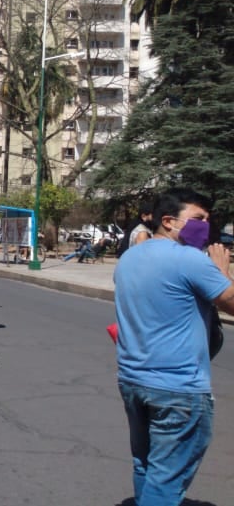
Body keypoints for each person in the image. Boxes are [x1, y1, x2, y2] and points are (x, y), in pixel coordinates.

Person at [113, 188, 234, 505]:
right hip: (179, 389)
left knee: (146, 465)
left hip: (133, 380)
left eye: (207, 219)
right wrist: (222, 270)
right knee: (167, 480)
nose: (205, 226)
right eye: (198, 219)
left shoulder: (129, 258)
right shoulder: (189, 259)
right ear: (168, 221)